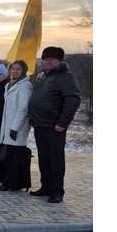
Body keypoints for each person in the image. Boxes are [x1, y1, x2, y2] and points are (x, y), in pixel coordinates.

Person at [28, 47, 81, 203]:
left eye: (52, 59)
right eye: (46, 59)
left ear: (60, 61)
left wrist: (62, 123)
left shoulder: (66, 77)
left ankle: (57, 191)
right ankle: (46, 187)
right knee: (44, 158)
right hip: (40, 125)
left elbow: (72, 101)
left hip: (54, 126)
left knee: (56, 159)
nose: (48, 62)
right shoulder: (42, 76)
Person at [0, 60, 34, 192]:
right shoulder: (9, 85)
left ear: (23, 71)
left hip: (18, 126)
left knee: (16, 156)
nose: (14, 71)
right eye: (12, 69)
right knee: (10, 156)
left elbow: (23, 108)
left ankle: (11, 183)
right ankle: (12, 182)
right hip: (8, 124)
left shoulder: (25, 86)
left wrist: (15, 128)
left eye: (18, 69)